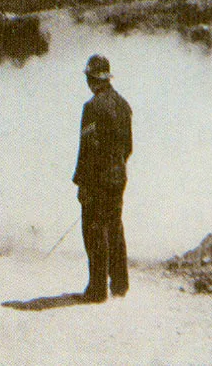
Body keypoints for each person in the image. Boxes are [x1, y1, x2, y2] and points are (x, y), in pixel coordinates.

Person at [73, 54, 132, 303]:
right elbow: (128, 147)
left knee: (95, 231)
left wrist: (82, 183)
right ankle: (119, 284)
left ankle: (97, 289)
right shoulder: (123, 104)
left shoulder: (92, 107)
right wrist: (116, 167)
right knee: (115, 226)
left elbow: (87, 149)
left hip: (98, 179)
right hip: (118, 176)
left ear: (93, 79)